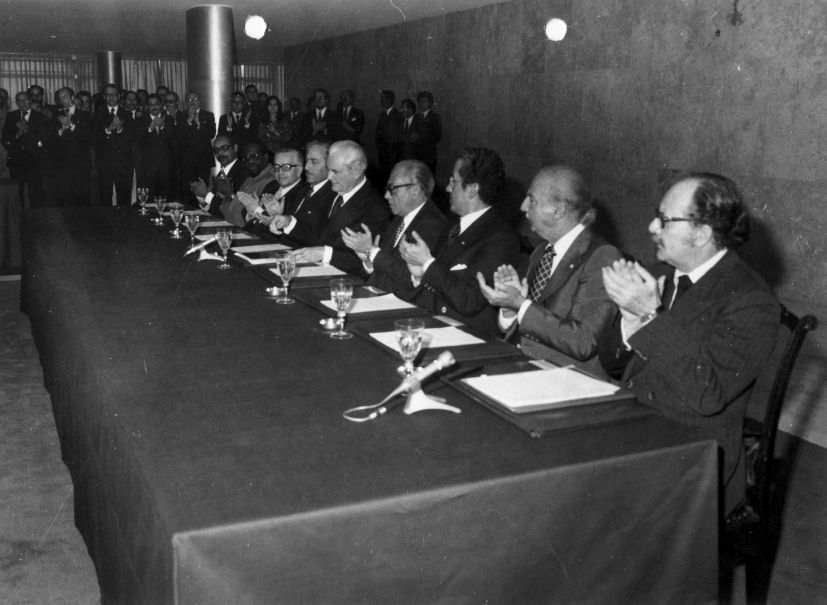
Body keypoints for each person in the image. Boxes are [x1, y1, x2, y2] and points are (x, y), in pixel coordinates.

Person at [598, 172, 779, 516]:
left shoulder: (751, 300)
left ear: (702, 234)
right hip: (636, 435)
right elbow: (613, 364)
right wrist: (630, 319)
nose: (652, 226)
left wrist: (649, 316)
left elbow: (707, 394)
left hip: (694, 459)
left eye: (665, 220)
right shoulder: (659, 274)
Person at [477, 166, 622, 376]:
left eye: (532, 199)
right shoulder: (541, 252)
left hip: (570, 380)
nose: (523, 206)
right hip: (527, 370)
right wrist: (510, 309)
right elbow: (528, 327)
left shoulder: (602, 256)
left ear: (558, 210)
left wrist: (521, 305)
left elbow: (583, 341)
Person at [399, 148, 520, 335]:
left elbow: (469, 300)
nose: (448, 188)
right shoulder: (453, 226)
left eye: (453, 182)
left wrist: (428, 263)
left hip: (465, 335)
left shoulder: (500, 238)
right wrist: (420, 273)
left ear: (472, 189)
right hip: (432, 324)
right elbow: (439, 281)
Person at [342, 159, 449, 291]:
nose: (386, 195)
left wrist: (372, 252)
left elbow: (410, 277)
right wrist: (369, 260)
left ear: (415, 191)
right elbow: (387, 269)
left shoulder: (434, 224)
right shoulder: (399, 219)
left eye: (393, 189)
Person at [286, 140, 389, 274]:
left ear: (357, 170)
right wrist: (288, 223)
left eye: (335, 171)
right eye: (329, 169)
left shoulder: (375, 208)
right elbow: (317, 235)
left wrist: (326, 254)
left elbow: (367, 263)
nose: (329, 177)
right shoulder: (332, 192)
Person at [267, 139, 336, 247]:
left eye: (314, 162)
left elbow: (320, 239)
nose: (307, 167)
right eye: (307, 161)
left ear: (331, 164)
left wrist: (289, 222)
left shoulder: (334, 195)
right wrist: (278, 216)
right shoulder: (305, 189)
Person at [1, 91, 50, 206]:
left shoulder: (40, 117)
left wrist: (28, 131)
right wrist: (17, 135)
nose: (23, 103)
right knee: (17, 191)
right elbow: (5, 138)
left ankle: (36, 213)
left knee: (35, 190)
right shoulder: (11, 116)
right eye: (20, 100)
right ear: (16, 102)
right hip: (17, 160)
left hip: (34, 159)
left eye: (26, 100)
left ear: (30, 100)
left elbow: (44, 139)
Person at [216, 141, 277, 227]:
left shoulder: (273, 181)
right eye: (246, 158)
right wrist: (229, 196)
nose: (250, 161)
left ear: (265, 157)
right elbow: (229, 211)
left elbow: (256, 220)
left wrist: (231, 195)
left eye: (255, 156)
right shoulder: (250, 178)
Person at [92, 83, 134, 206]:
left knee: (124, 196)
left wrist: (120, 128)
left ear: (119, 96)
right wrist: (108, 129)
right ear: (104, 97)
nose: (111, 97)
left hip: (123, 162)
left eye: (114, 94)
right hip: (105, 161)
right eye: (108, 95)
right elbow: (93, 138)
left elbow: (132, 138)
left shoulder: (126, 114)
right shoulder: (98, 114)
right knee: (105, 195)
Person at [50, 87, 92, 206]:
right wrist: (61, 130)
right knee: (65, 197)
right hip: (62, 164)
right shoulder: (55, 116)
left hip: (80, 164)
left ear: (72, 98)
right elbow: (51, 139)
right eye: (60, 98)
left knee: (82, 198)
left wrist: (71, 125)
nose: (62, 100)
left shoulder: (84, 115)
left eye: (65, 96)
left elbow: (86, 137)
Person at [189, 134, 249, 216]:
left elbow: (237, 210)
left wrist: (206, 194)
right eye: (216, 150)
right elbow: (219, 210)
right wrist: (203, 201)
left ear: (235, 148)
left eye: (224, 148)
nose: (220, 153)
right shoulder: (221, 174)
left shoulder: (244, 173)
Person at [176, 90, 216, 196]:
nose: (192, 102)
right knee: (187, 191)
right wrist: (189, 120)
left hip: (204, 159)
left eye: (195, 99)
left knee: (203, 190)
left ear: (199, 101)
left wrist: (199, 124)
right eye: (189, 99)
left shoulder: (208, 115)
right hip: (186, 161)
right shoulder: (181, 116)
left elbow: (211, 134)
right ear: (186, 102)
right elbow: (179, 136)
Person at [136, 94, 176, 197]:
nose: (154, 107)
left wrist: (162, 126)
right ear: (147, 107)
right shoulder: (140, 121)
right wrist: (150, 129)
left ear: (161, 105)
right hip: (148, 169)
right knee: (149, 199)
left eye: (156, 104)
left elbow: (173, 139)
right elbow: (138, 142)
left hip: (166, 168)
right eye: (151, 105)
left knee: (166, 198)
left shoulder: (169, 119)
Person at [411, 90, 442, 178]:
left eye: (425, 101)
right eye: (420, 101)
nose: (422, 104)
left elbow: (437, 137)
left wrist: (420, 136)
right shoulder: (416, 117)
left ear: (430, 103)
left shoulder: (435, 117)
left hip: (429, 156)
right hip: (416, 156)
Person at [375, 89, 402, 187]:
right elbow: (378, 132)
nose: (381, 101)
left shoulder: (398, 115)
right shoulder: (382, 114)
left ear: (389, 100)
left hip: (393, 153)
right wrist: (379, 146)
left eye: (382, 99)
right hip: (383, 152)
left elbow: (397, 135)